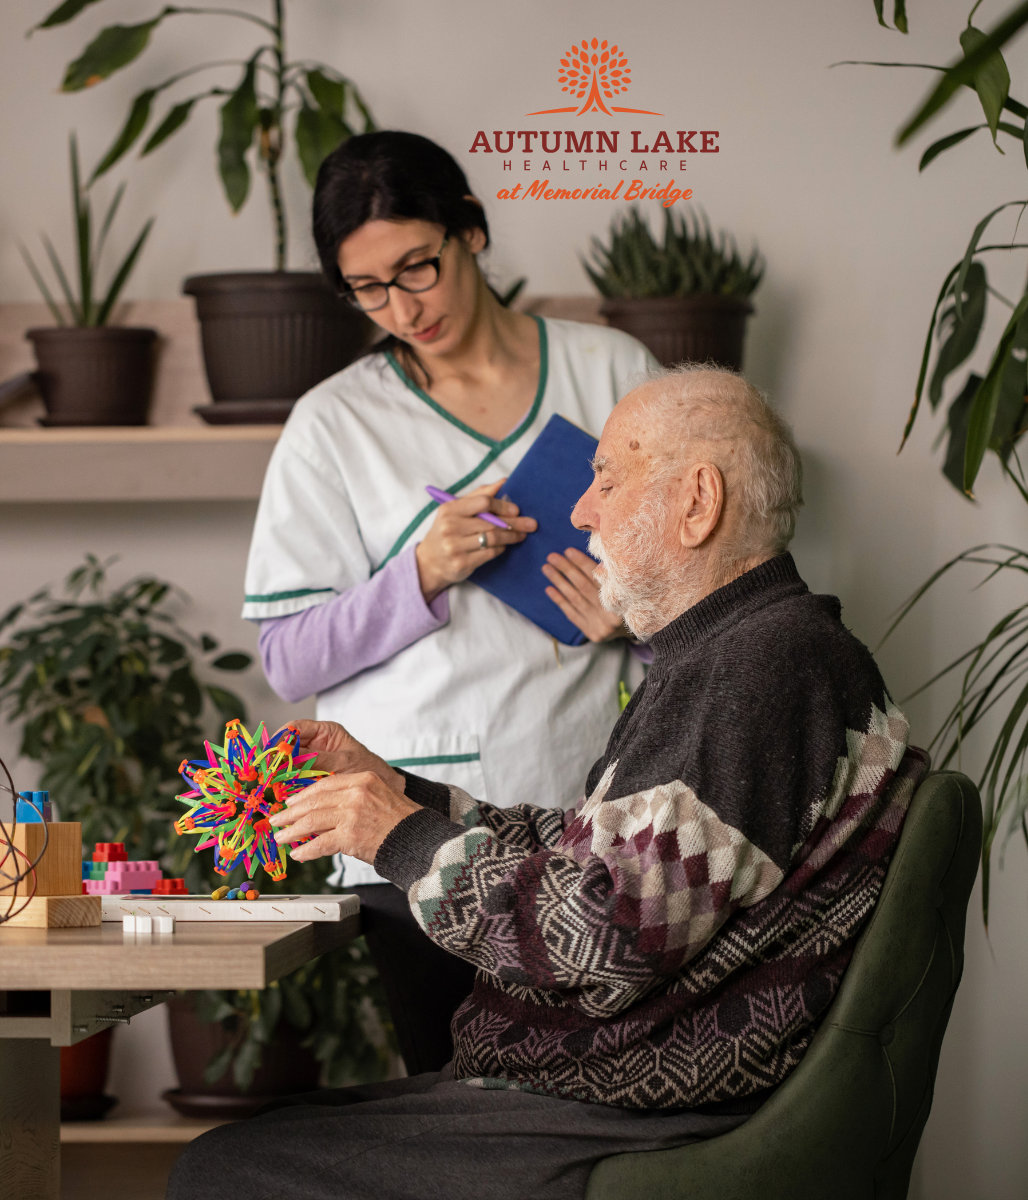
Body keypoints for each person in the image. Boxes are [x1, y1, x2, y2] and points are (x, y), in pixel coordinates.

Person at [169, 367, 926, 1200]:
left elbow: (599, 940)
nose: (581, 510)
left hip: (641, 1111)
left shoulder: (756, 671)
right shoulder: (746, 653)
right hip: (620, 1087)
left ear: (697, 502)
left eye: (607, 478)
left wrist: (394, 837)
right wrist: (395, 791)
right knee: (262, 1142)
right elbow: (593, 863)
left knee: (221, 1170)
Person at [241, 130, 659, 1073]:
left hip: (587, 826)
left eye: (416, 268)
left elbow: (716, 599)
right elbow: (288, 658)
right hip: (409, 841)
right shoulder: (333, 424)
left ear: (471, 230)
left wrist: (630, 619)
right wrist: (418, 574)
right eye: (369, 290)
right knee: (456, 1106)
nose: (401, 306)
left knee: (589, 1102)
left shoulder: (615, 374)